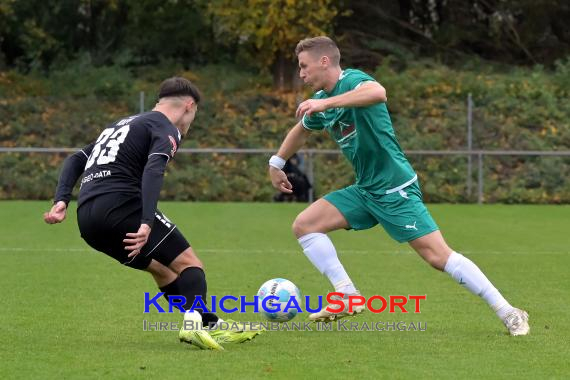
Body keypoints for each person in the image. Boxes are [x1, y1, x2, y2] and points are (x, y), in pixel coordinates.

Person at [268, 36, 529, 336]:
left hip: (394, 189)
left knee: (437, 257)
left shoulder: (352, 81)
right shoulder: (322, 103)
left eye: (304, 66)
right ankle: (347, 294)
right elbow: (300, 131)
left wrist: (325, 102)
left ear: (324, 61)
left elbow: (378, 92)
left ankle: (509, 312)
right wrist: (277, 163)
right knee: (305, 225)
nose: (300, 73)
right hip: (366, 189)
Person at [44, 77, 260, 350]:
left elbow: (75, 158)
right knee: (190, 264)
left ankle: (211, 325)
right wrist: (146, 222)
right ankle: (194, 326)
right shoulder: (164, 127)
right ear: (189, 106)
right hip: (122, 206)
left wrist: (62, 199)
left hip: (87, 217)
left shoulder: (121, 125)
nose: (190, 122)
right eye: (194, 115)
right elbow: (154, 170)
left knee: (163, 271)